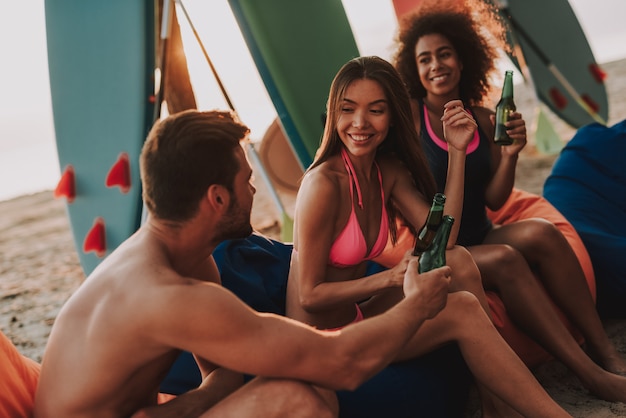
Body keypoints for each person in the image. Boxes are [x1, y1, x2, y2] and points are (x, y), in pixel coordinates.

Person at [34, 109, 460, 418]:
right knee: (298, 400)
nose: (255, 189)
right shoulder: (166, 293)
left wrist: (182, 409)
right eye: (245, 179)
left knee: (301, 388)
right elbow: (343, 365)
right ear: (217, 199)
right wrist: (417, 306)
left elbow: (222, 375)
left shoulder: (181, 257)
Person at [285, 55, 570, 417]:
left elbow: (444, 239)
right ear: (333, 113)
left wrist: (456, 150)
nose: (360, 123)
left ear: (392, 117)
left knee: (459, 261)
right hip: (321, 347)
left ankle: (498, 405)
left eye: (376, 110)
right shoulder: (322, 184)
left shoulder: (383, 171)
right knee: (461, 301)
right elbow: (309, 295)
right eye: (348, 109)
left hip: (357, 321)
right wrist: (390, 277)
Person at [392, 0, 626, 403]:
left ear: (462, 61)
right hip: (444, 248)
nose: (436, 65)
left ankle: (604, 350)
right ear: (414, 71)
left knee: (545, 233)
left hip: (481, 230)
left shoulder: (484, 118)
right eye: (425, 59)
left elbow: (496, 197)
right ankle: (589, 374)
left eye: (444, 54)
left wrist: (513, 151)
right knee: (504, 259)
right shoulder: (413, 120)